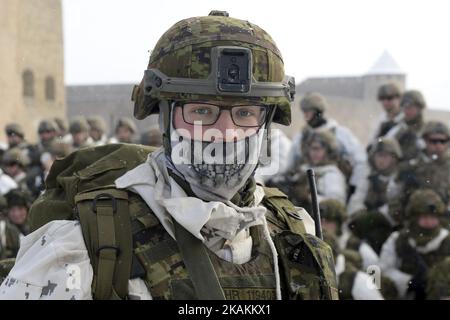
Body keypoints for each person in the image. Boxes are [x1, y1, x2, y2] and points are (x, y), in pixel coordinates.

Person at [0, 11, 337, 300]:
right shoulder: (82, 245)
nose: (226, 132)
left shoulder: (292, 232)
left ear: (266, 123)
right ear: (165, 117)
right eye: (202, 111)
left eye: (245, 113)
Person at [285, 93, 369, 214]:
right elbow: (290, 165)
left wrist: (354, 187)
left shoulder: (341, 134)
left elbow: (360, 161)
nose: (306, 115)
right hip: (306, 179)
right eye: (304, 112)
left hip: (332, 182)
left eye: (309, 111)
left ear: (318, 111)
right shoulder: (301, 136)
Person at [379, 189, 450, 299]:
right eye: (425, 217)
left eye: (433, 217)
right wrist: (409, 281)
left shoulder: (446, 239)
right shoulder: (398, 239)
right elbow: (383, 270)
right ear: (414, 218)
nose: (429, 222)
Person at [267, 130, 347, 211]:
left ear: (328, 151)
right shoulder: (303, 169)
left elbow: (336, 205)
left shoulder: (332, 174)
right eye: (312, 148)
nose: (314, 152)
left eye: (318, 149)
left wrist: (309, 197)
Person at [388, 121, 450, 224]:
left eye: (443, 141)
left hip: (444, 223)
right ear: (424, 141)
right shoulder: (409, 167)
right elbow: (393, 196)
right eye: (434, 141)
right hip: (411, 222)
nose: (438, 145)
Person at [385, 90, 427, 161]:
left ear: (419, 108)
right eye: (404, 107)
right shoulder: (397, 128)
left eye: (410, 107)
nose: (407, 111)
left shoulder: (426, 130)